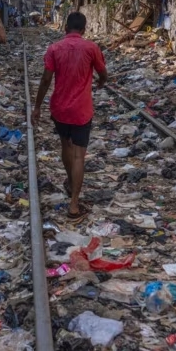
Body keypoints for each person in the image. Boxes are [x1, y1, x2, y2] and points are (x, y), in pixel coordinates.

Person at [32, 12, 107, 222]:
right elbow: (103, 72)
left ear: (65, 28)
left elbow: (46, 79)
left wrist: (37, 107)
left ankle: (69, 180)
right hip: (82, 111)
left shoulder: (54, 48)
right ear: (83, 29)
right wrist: (101, 82)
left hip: (60, 110)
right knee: (79, 156)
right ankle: (74, 204)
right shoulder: (91, 48)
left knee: (66, 147)